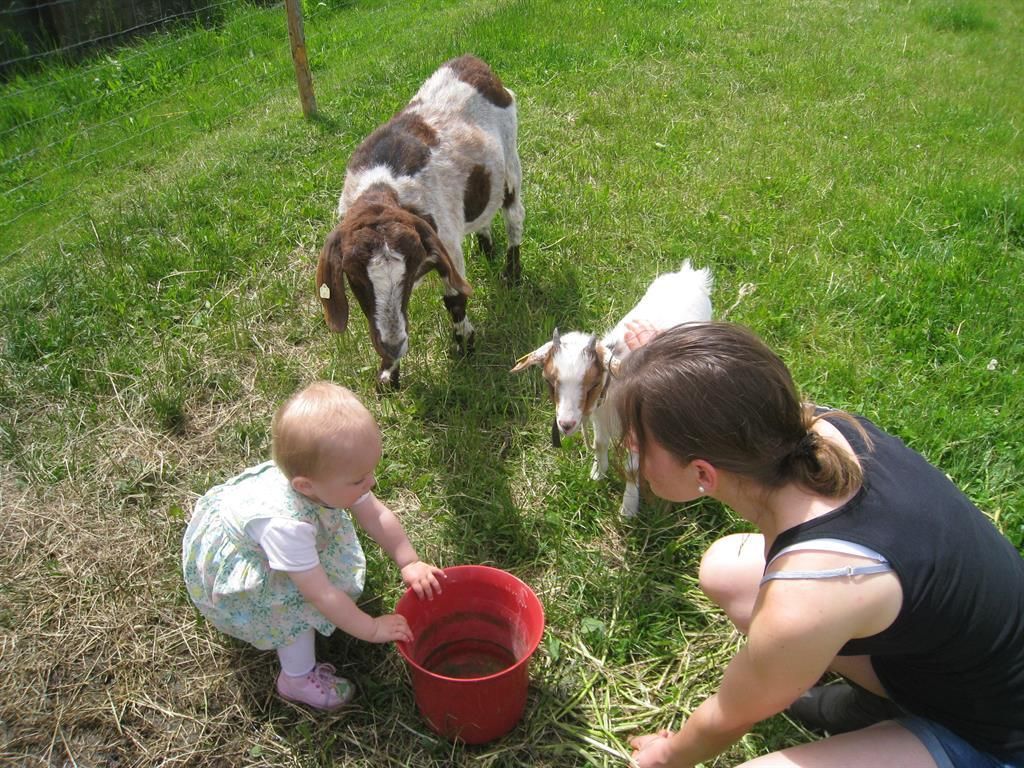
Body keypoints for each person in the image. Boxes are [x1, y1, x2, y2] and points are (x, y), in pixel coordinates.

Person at [615, 320, 1024, 768]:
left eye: (639, 442)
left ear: (701, 474)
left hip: (995, 737)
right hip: (953, 665)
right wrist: (659, 374)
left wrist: (665, 757)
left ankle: (911, 726)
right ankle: (886, 704)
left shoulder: (810, 588)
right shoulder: (815, 429)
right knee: (727, 571)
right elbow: (727, 396)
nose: (632, 449)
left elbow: (729, 716)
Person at [182, 380, 445, 711]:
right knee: (294, 610)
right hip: (248, 558)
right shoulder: (288, 529)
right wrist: (372, 627)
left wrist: (409, 561)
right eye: (359, 480)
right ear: (306, 486)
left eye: (370, 472)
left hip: (276, 528)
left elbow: (375, 514)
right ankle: (296, 678)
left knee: (314, 569)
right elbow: (320, 594)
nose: (371, 482)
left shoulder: (331, 476)